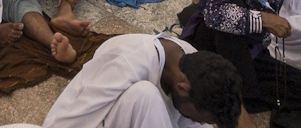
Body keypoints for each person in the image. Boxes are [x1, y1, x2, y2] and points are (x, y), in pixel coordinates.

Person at [42, 33, 246, 128]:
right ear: (182, 88)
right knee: (145, 96)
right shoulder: (129, 64)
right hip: (93, 120)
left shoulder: (191, 60)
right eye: (198, 117)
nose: (199, 121)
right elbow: (73, 118)